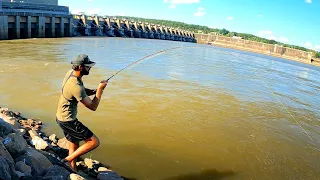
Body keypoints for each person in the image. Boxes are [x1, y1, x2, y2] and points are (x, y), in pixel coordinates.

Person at [56, 54, 107, 171]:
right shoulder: (75, 86)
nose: (90, 68)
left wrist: (94, 90)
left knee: (73, 142)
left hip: (60, 117)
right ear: (80, 67)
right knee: (94, 142)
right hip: (68, 120)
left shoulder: (70, 74)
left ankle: (72, 168)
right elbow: (93, 107)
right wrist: (100, 90)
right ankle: (67, 160)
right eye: (87, 66)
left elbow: (81, 91)